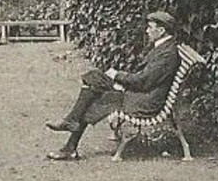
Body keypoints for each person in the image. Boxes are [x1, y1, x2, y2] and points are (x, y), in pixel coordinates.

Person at [44, 9, 182, 160]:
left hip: (145, 101)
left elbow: (144, 82)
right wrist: (120, 77)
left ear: (161, 30)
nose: (147, 31)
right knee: (93, 81)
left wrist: (118, 75)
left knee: (93, 90)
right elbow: (145, 78)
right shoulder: (163, 48)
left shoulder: (167, 54)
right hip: (141, 93)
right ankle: (70, 133)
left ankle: (70, 133)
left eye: (150, 27)